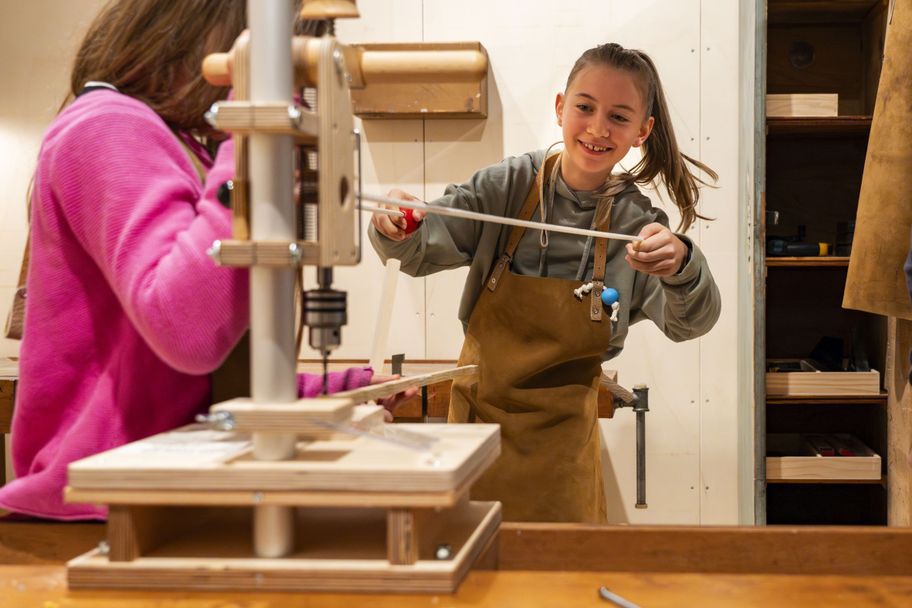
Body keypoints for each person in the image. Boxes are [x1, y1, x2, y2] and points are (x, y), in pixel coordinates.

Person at [0, 0, 399, 521]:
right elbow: (185, 331)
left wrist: (332, 388)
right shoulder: (107, 126)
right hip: (106, 513)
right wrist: (257, 128)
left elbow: (176, 382)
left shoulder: (176, 143)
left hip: (157, 492)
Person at [370, 42, 722, 523]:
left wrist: (683, 263)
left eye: (619, 117)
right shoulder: (506, 187)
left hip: (562, 458)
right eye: (584, 107)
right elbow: (416, 250)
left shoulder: (638, 226)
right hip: (476, 435)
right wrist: (398, 222)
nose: (598, 128)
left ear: (643, 131)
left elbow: (691, 324)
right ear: (560, 107)